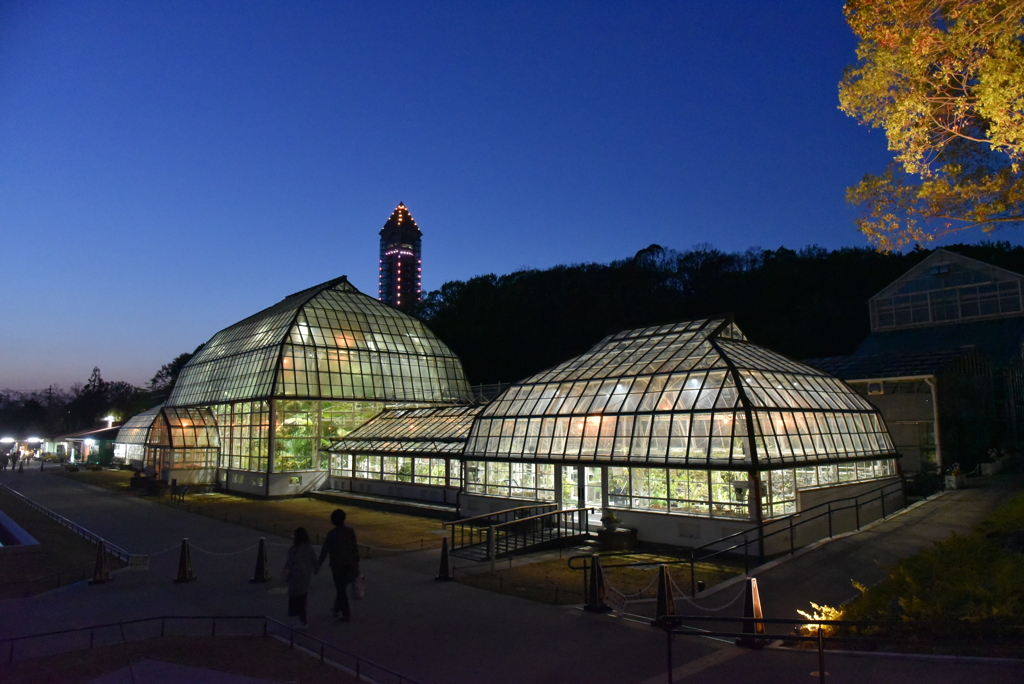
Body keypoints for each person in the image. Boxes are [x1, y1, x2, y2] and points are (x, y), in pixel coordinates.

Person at [318, 509, 360, 621]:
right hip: (349, 564)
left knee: (341, 589)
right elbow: (354, 549)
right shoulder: (350, 532)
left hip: (337, 565)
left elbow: (324, 551)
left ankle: (346, 614)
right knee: (341, 588)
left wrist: (318, 564)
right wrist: (356, 564)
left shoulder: (332, 534)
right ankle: (336, 609)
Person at [282, 527, 318, 628]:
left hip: (296, 577)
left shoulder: (294, 549)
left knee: (296, 597)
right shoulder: (309, 547)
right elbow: (314, 560)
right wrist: (316, 569)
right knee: (303, 597)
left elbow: (289, 562)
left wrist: (285, 572)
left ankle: (302, 621)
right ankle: (302, 619)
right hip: (306, 576)